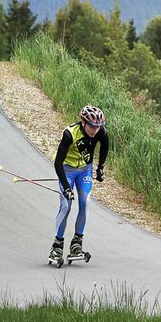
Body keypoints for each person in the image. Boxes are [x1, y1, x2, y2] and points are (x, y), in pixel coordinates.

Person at [48, 105, 109, 265]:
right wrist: (67, 188)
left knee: (85, 202)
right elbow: (57, 163)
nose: (95, 130)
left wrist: (100, 167)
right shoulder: (69, 134)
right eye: (92, 126)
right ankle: (57, 245)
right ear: (83, 122)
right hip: (67, 170)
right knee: (66, 206)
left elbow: (105, 145)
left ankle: (77, 243)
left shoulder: (100, 131)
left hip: (84, 171)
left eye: (97, 127)